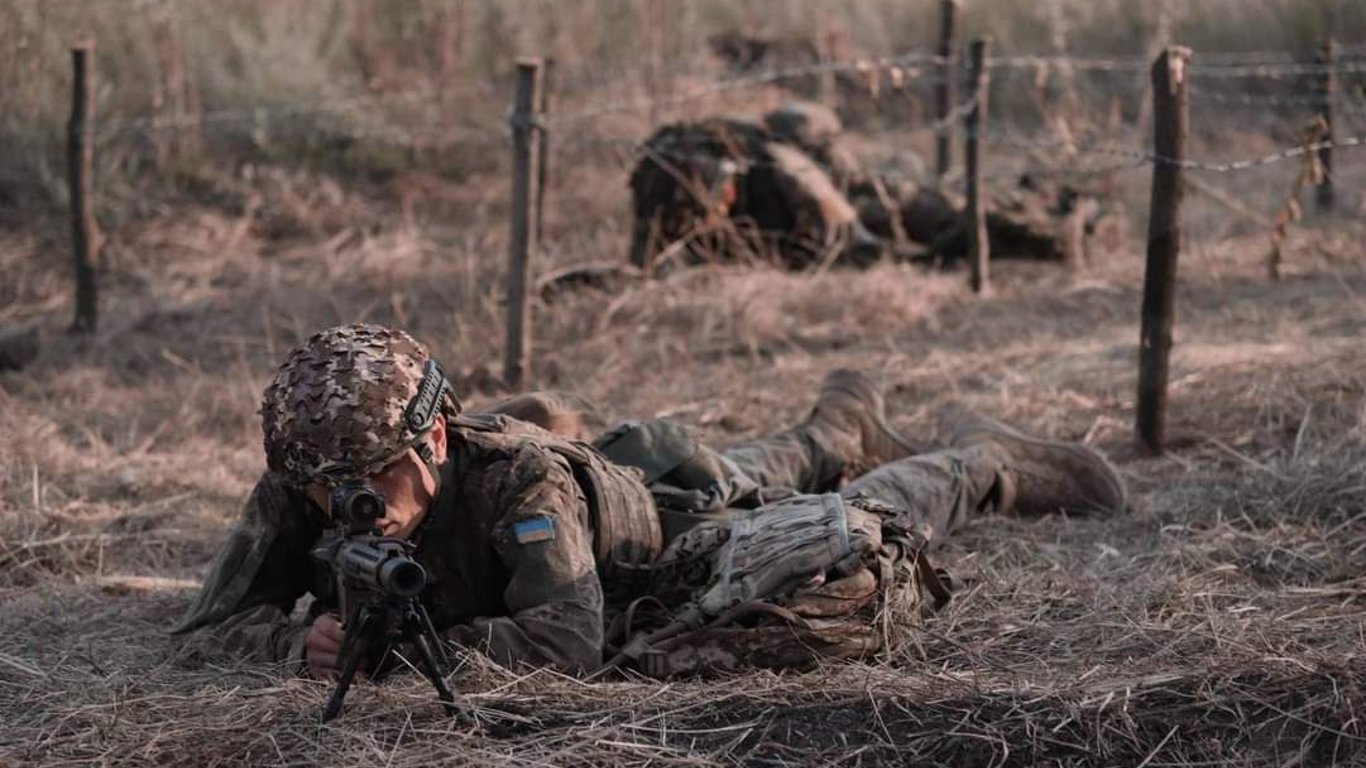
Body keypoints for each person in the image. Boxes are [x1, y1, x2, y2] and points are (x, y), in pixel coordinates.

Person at [173, 323, 1126, 678]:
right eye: (320, 491)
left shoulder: (521, 484)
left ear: (430, 440)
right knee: (755, 456)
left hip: (656, 530)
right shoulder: (319, 471)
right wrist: (291, 642)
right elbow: (207, 627)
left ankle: (981, 461)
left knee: (810, 511)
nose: (344, 508)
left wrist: (403, 653)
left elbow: (563, 643)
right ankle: (842, 421)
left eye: (365, 486)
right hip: (619, 469)